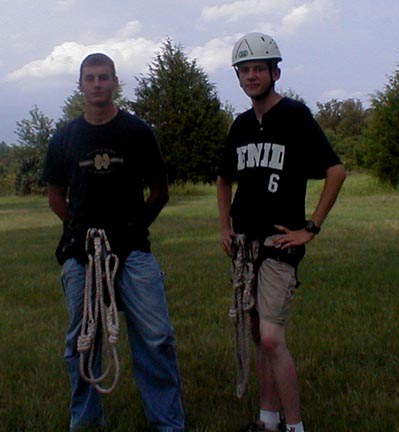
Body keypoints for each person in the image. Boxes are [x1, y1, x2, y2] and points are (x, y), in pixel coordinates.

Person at [42, 53, 185, 432]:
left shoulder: (136, 132)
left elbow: (160, 191)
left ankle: (168, 423)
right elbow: (55, 194)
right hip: (82, 251)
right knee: (82, 341)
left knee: (156, 336)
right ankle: (86, 421)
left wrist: (134, 227)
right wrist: (77, 227)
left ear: (116, 82)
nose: (97, 84)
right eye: (90, 78)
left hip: (133, 249)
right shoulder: (65, 137)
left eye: (104, 77)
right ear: (81, 84)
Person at [217, 33, 346, 432]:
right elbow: (223, 179)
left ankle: (295, 426)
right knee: (258, 333)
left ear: (275, 72)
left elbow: (335, 171)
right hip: (246, 245)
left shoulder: (295, 115)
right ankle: (267, 420)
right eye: (244, 70)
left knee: (272, 337)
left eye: (259, 68)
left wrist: (311, 227)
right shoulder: (240, 125)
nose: (251, 76)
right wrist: (224, 227)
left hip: (279, 242)